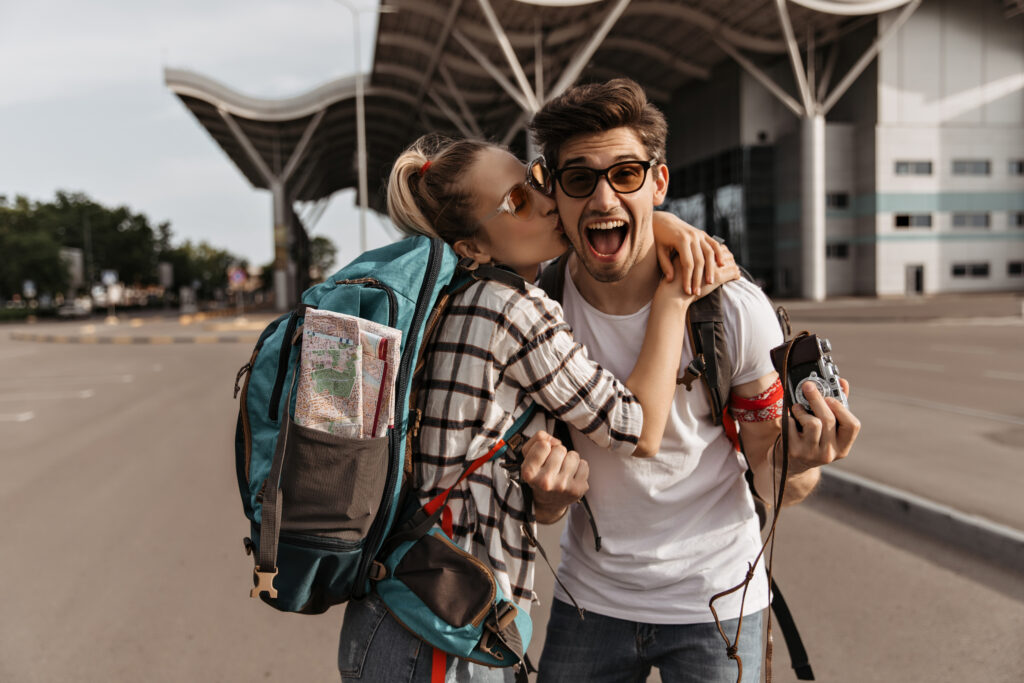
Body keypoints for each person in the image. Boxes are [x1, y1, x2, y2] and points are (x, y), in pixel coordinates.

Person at [337, 134, 737, 682]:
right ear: (474, 247)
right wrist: (674, 297)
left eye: (537, 181)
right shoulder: (512, 308)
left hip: (391, 610)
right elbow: (636, 426)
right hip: (445, 628)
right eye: (517, 202)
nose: (547, 202)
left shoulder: (447, 298)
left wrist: (662, 224)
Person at [526, 78, 862, 683]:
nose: (603, 198)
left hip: (717, 599)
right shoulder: (536, 311)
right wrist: (548, 499)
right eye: (580, 179)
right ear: (553, 191)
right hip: (589, 602)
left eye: (625, 173)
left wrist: (802, 461)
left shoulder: (731, 307)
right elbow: (545, 509)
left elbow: (772, 475)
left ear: (658, 182)